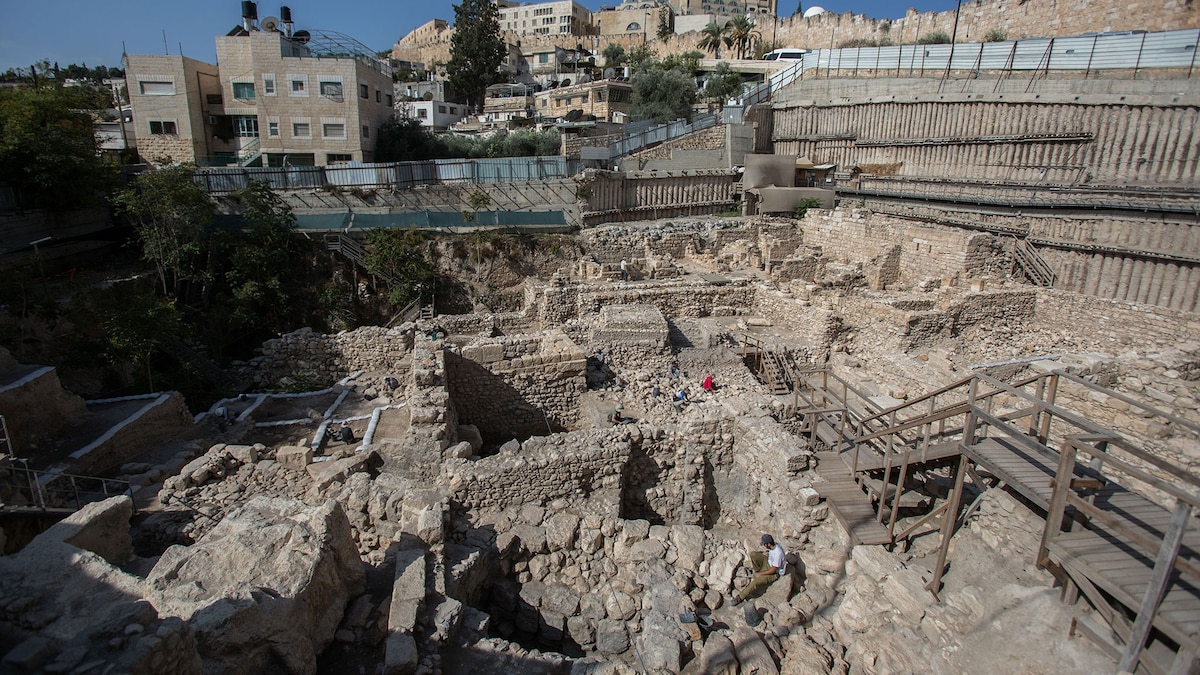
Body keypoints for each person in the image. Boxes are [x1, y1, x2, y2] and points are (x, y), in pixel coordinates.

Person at [732, 534, 788, 605]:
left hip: (774, 573)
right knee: (753, 554)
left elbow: (773, 570)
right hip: (768, 563)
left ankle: (739, 597)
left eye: (764, 544)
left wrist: (760, 574)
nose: (764, 546)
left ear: (768, 544)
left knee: (755, 583)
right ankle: (758, 571)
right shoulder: (774, 545)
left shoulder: (778, 553)